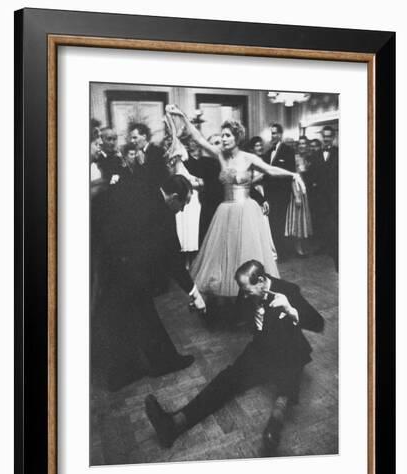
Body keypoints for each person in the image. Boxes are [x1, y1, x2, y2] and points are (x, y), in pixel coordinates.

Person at [145, 259, 324, 453]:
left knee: (285, 391)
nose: (245, 296)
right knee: (226, 380)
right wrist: (204, 309)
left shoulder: (289, 291)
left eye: (247, 290)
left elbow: (318, 323)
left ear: (261, 281)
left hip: (289, 351)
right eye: (243, 291)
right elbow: (233, 316)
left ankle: (274, 428)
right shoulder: (247, 291)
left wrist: (291, 310)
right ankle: (174, 424)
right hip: (261, 351)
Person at [166, 105, 305, 298]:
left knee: (248, 253)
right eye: (222, 135)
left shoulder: (248, 157)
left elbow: (270, 170)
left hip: (246, 211)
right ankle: (232, 293)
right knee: (227, 254)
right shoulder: (219, 155)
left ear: (237, 137)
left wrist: (293, 174)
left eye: (227, 135)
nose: (223, 139)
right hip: (225, 211)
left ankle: (253, 292)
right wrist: (181, 116)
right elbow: (197, 137)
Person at [91, 173, 206, 391]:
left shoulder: (142, 187)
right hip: (120, 265)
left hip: (108, 257)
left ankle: (132, 370)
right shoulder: (162, 213)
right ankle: (150, 366)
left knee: (129, 314)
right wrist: (194, 293)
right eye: (183, 203)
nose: (182, 210)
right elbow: (173, 260)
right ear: (173, 197)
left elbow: (100, 202)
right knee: (130, 314)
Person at [263, 123, 297, 260]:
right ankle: (276, 251)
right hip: (270, 193)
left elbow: (290, 173)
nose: (273, 136)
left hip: (282, 194)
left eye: (275, 133)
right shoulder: (268, 152)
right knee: (272, 223)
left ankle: (283, 253)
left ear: (281, 135)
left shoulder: (288, 151)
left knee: (280, 223)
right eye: (271, 133)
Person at [285, 136, 313, 256]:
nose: (302, 146)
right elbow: (292, 178)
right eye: (300, 143)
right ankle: (297, 248)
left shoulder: (306, 158)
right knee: (297, 219)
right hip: (296, 190)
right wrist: (296, 196)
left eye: (304, 143)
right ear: (297, 145)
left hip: (304, 191)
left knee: (302, 220)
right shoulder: (295, 158)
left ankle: (301, 246)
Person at [317, 125, 339, 270]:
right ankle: (324, 246)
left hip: (335, 194)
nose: (326, 139)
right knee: (322, 221)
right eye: (324, 136)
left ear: (333, 137)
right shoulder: (316, 154)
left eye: (329, 136)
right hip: (320, 195)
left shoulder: (339, 153)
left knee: (334, 222)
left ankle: (334, 249)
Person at [129, 122, 168, 192]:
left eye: (135, 138)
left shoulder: (158, 151)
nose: (132, 141)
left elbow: (158, 178)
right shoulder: (138, 154)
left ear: (144, 136)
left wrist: (143, 164)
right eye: (131, 138)